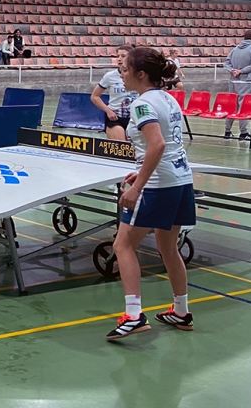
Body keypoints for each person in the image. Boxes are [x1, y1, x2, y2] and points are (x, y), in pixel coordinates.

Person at [106, 46, 195, 341]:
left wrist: (138, 186)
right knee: (168, 247)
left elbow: (156, 145)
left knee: (122, 245)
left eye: (126, 69)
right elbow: (166, 146)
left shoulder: (141, 104)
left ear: (141, 75)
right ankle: (180, 311)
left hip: (157, 185)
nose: (122, 73)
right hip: (180, 180)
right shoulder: (168, 98)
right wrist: (142, 169)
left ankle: (133, 316)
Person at [91, 45, 138, 141]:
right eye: (118, 56)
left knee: (133, 149)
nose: (119, 59)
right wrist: (108, 110)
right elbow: (95, 96)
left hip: (134, 118)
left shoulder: (138, 76)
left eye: (123, 56)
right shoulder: (110, 76)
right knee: (121, 146)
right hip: (115, 118)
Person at [223, 30, 251, 140]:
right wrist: (241, 71)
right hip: (247, 81)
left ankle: (227, 131)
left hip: (233, 81)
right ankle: (243, 133)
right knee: (244, 107)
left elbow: (226, 63)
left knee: (232, 106)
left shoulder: (235, 49)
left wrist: (232, 71)